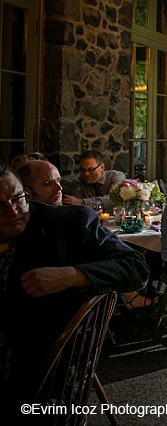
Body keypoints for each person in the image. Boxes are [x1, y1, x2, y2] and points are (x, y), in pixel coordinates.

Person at [0, 164, 149, 414]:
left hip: (36, 370)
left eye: (17, 199)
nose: (12, 211)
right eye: (0, 205)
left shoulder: (67, 224)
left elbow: (136, 267)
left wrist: (74, 275)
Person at [18, 159, 157, 311]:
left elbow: (135, 266)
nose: (59, 188)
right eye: (47, 183)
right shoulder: (77, 188)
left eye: (58, 180)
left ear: (102, 167)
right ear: (25, 193)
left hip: (66, 320)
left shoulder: (76, 219)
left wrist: (75, 275)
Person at [62, 150, 126, 207]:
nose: (86, 174)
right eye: (83, 169)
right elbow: (78, 208)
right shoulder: (77, 184)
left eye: (91, 169)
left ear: (102, 167)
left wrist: (82, 202)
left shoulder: (116, 176)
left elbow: (113, 199)